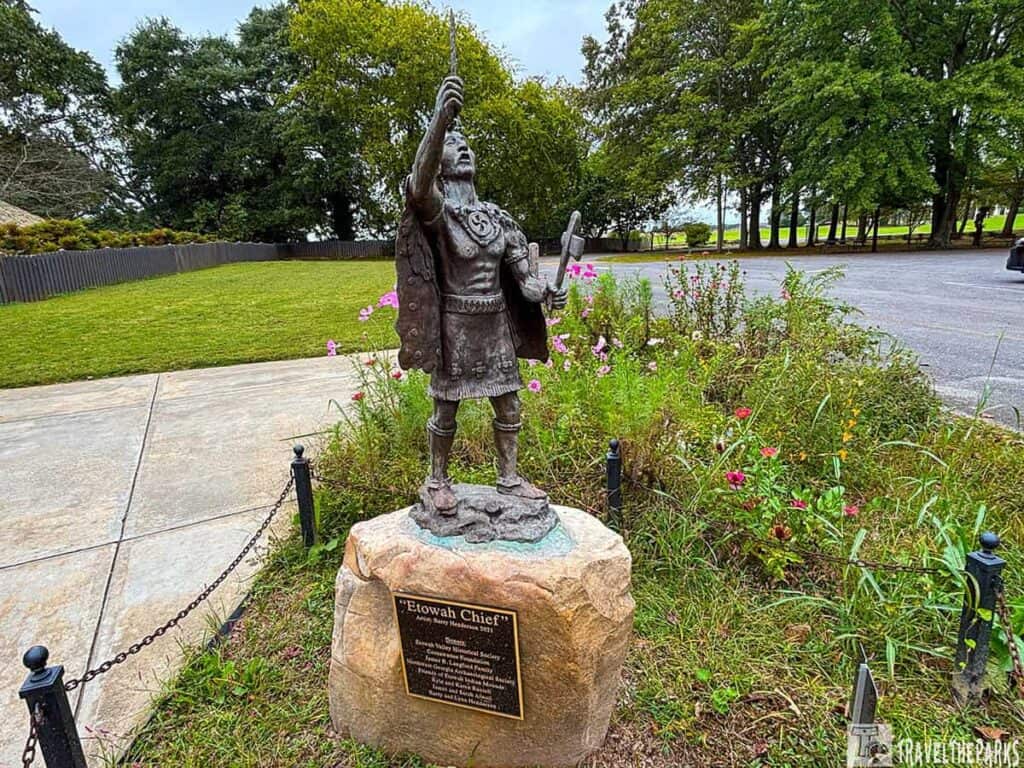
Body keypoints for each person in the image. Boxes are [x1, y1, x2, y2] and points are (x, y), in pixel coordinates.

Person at [396, 75, 567, 512]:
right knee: (446, 410)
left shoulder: (499, 218)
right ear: (442, 160)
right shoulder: (440, 213)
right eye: (455, 145)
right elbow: (418, 184)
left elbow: (524, 280)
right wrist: (439, 120)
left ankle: (508, 480)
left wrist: (545, 290)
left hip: (495, 327)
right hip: (455, 326)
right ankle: (438, 482)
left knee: (508, 406)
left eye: (467, 144)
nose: (464, 148)